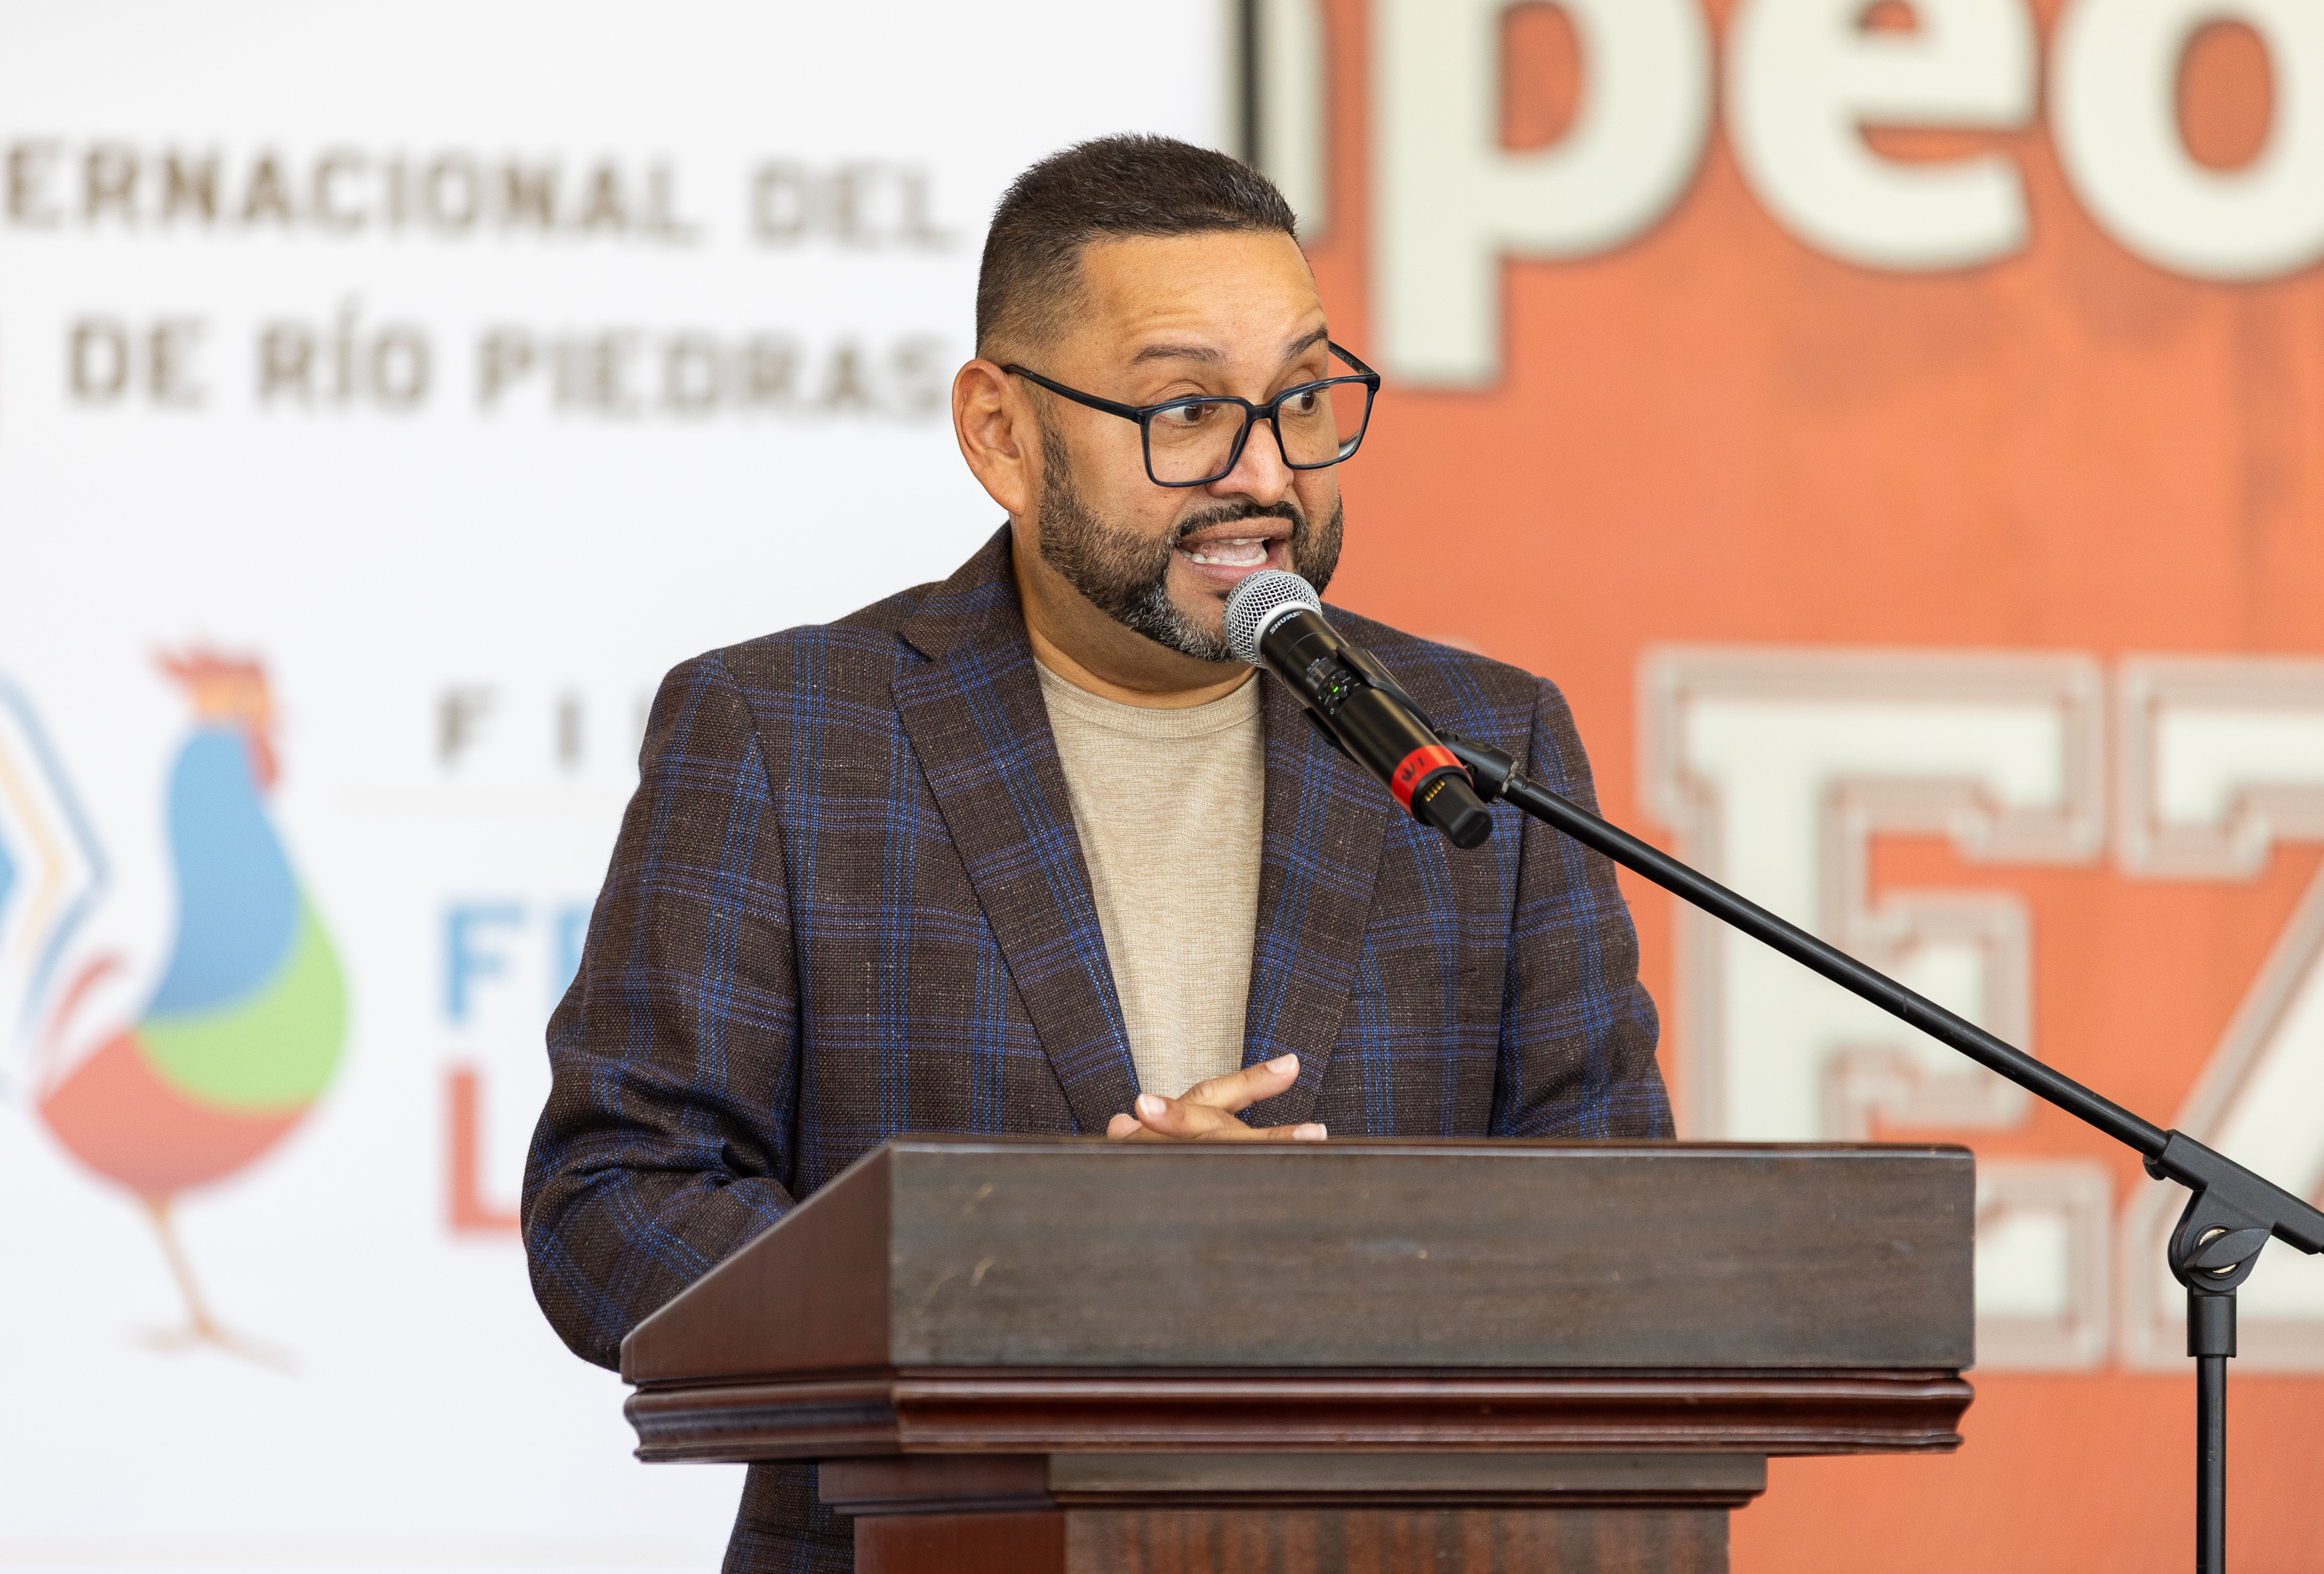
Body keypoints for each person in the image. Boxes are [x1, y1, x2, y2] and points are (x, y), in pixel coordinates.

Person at [522, 133, 1671, 1574]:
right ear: (1001, 433)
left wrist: (1338, 1263)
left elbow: (1618, 1221)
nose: (1262, 474)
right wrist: (1035, 1274)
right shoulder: (784, 732)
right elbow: (612, 1203)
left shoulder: (1478, 745)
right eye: (1186, 409)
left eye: (1303, 398)